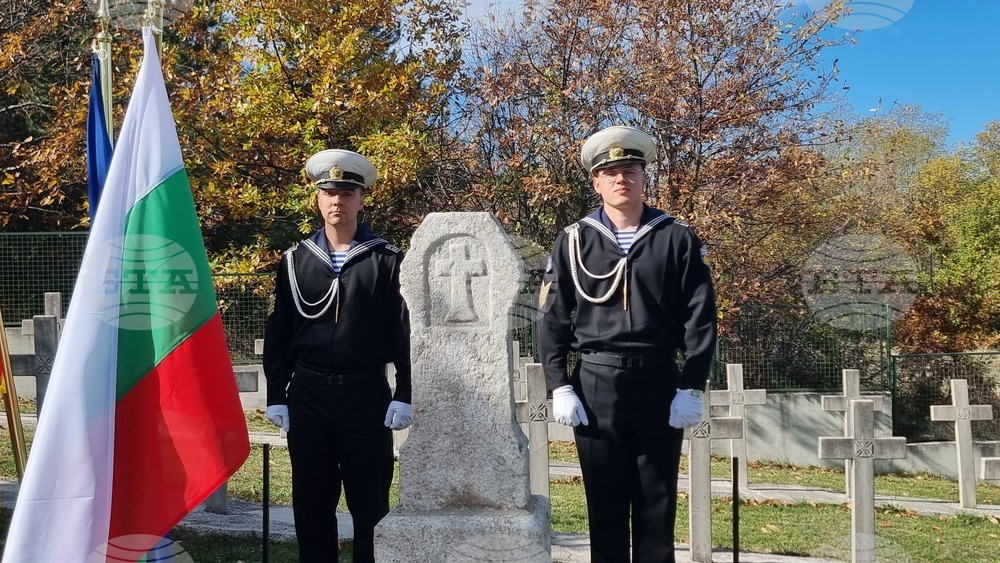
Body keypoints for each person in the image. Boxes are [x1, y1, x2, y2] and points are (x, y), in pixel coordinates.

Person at [537, 125, 717, 562]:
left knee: (658, 501)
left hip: (658, 379)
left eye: (631, 170)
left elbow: (701, 317)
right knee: (605, 504)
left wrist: (691, 386)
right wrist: (558, 384)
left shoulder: (676, 237)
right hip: (597, 381)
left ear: (644, 177)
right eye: (611, 172)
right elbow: (552, 318)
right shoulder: (574, 240)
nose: (622, 179)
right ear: (596, 181)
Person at [263, 149, 412, 563]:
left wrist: (405, 391)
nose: (337, 201)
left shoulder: (387, 260)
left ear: (362, 199)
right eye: (329, 192)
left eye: (347, 192)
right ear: (317, 198)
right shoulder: (295, 261)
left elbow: (402, 333)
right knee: (311, 506)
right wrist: (277, 392)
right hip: (309, 394)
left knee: (370, 507)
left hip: (365, 394)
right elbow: (280, 333)